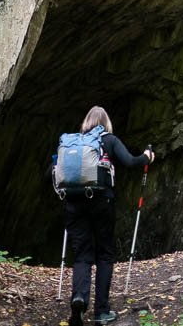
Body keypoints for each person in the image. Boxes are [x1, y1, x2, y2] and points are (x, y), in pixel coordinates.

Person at [57, 106, 155, 326]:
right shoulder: (108, 140)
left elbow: (50, 174)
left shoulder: (70, 143)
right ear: (105, 123)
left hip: (74, 204)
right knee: (104, 255)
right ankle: (101, 312)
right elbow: (130, 162)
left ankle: (79, 298)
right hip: (102, 202)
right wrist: (147, 158)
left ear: (85, 122)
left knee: (82, 256)